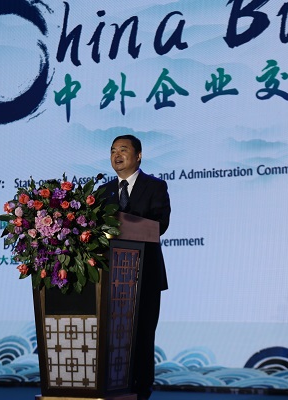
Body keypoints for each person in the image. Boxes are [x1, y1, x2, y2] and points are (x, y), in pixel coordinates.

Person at [98, 134, 170, 400]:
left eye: (123, 149)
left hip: (146, 274)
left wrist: (122, 222)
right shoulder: (102, 192)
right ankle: (113, 388)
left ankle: (141, 392)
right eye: (113, 151)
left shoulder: (155, 186)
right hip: (110, 278)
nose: (116, 155)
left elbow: (160, 225)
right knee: (112, 338)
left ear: (138, 155)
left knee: (142, 336)